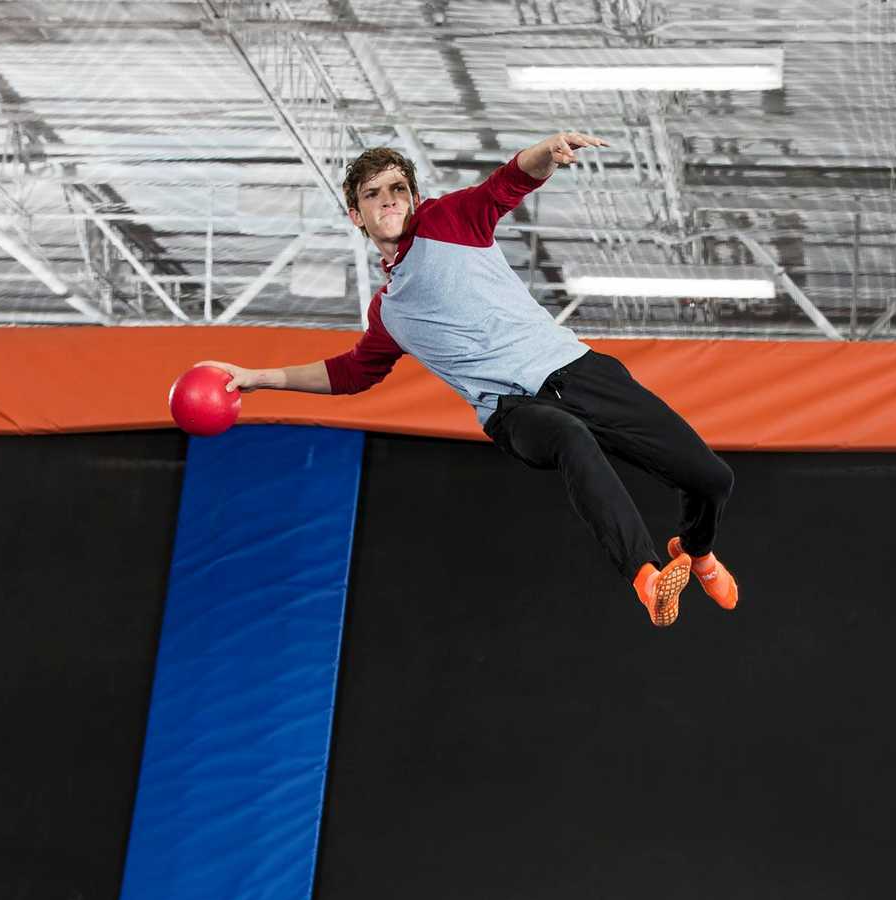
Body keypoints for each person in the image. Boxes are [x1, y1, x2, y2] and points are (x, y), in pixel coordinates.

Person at [198, 131, 738, 627]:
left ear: (412, 198)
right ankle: (647, 579)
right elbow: (350, 373)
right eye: (372, 193)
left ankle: (697, 550)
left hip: (576, 370)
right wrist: (258, 377)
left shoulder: (449, 220)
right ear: (356, 215)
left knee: (712, 479)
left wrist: (545, 154)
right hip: (513, 411)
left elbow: (507, 184)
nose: (387, 198)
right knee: (570, 438)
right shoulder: (388, 312)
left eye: (397, 188)